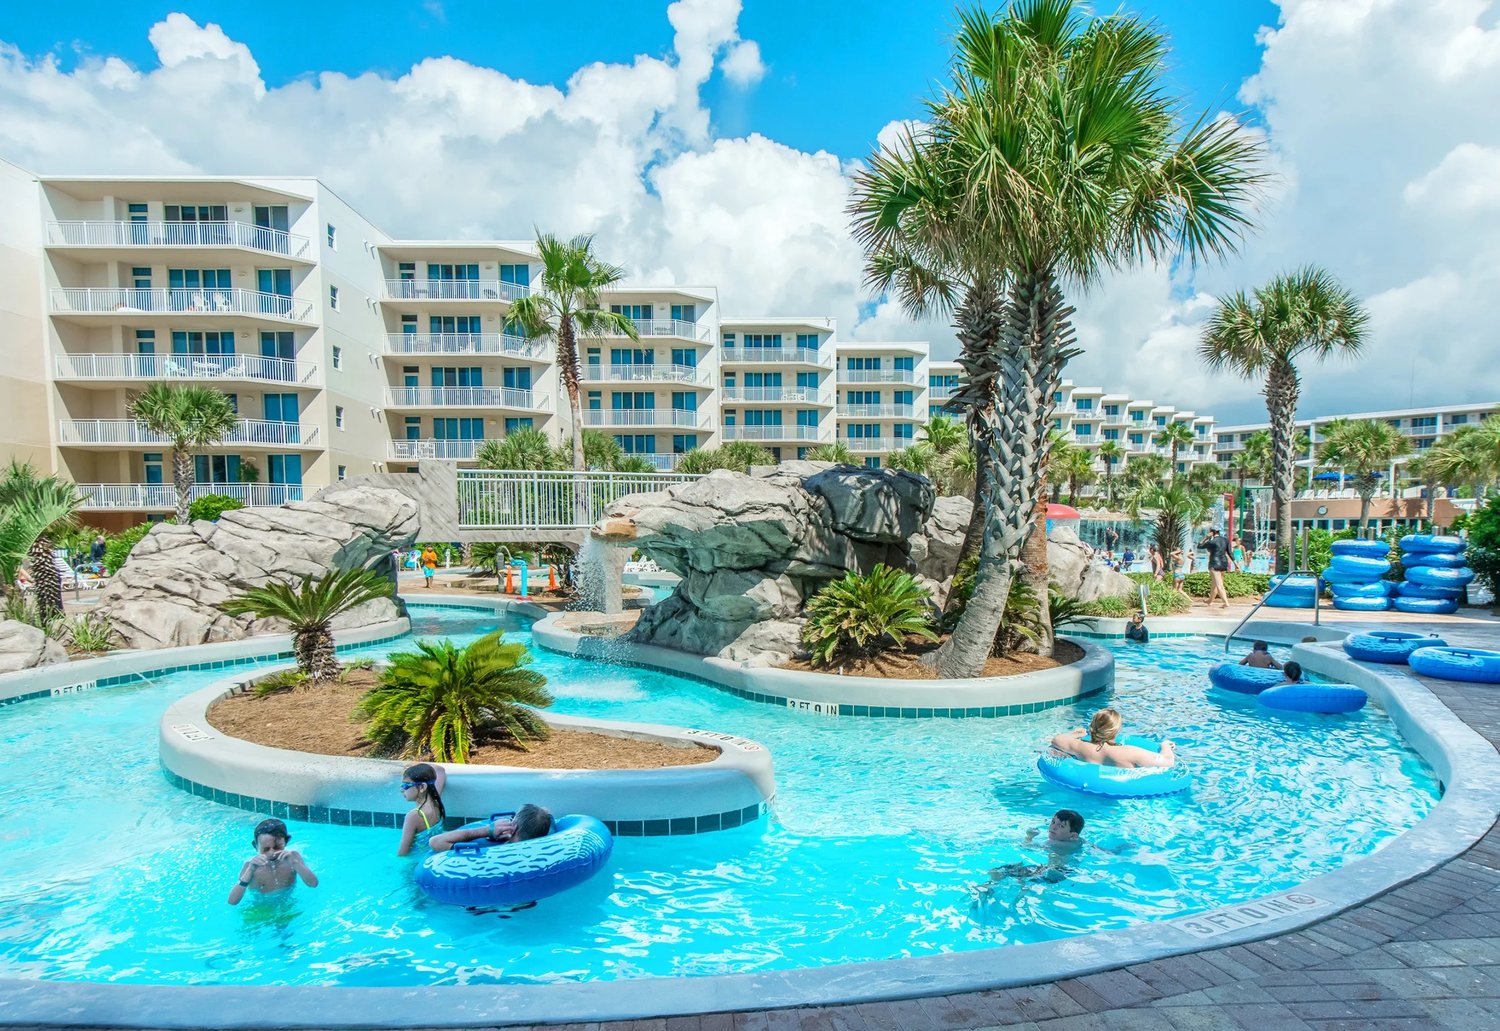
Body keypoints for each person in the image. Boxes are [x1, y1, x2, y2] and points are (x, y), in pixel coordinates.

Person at [229, 818, 318, 905]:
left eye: (277, 847)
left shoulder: (293, 858)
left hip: (286, 904)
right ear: (256, 846)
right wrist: (250, 871)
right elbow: (232, 901)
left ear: (285, 842)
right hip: (260, 907)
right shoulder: (250, 866)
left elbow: (313, 884)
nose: (272, 852)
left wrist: (295, 863)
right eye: (266, 849)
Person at [1049, 708, 1176, 768]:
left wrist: (1075, 734)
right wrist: (1165, 746)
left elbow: (1056, 740)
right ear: (1116, 730)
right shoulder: (1129, 752)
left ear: (1092, 726)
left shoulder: (1080, 747)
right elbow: (1168, 762)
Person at [428, 803, 555, 854]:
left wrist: (486, 830)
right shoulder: (541, 845)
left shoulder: (489, 851)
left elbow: (435, 842)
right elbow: (546, 813)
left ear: (514, 826)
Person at [396, 762, 447, 855]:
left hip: (417, 862)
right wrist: (417, 766)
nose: (402, 789)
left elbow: (403, 853)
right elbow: (440, 770)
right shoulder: (436, 803)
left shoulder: (414, 816)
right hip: (435, 855)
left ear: (422, 787)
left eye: (406, 785)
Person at [1199, 528, 1231, 608]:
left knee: (1219, 584)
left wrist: (1206, 538)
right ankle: (1210, 601)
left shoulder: (1211, 542)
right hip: (1223, 564)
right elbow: (1230, 553)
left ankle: (1226, 603)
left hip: (1214, 564)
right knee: (1214, 584)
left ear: (1212, 532)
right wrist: (1236, 564)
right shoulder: (1225, 540)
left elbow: (1199, 546)